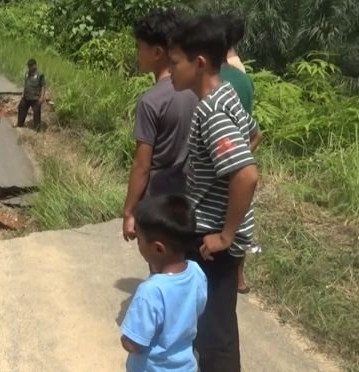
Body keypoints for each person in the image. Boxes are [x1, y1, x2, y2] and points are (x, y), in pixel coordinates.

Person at [167, 15, 260, 372]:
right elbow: (254, 135)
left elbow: (246, 174)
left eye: (175, 63)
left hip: (213, 241)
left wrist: (225, 234)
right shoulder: (228, 94)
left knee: (214, 334)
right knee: (212, 325)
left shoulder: (212, 111)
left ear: (199, 62)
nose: (171, 71)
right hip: (212, 229)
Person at [122, 9, 198, 274]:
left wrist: (129, 212)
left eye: (139, 47)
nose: (136, 53)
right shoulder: (196, 91)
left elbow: (142, 166)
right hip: (191, 202)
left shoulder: (151, 101)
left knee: (162, 272)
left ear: (157, 53)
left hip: (160, 205)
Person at [120, 194, 208, 372]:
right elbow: (199, 308)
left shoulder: (150, 291)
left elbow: (134, 343)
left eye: (140, 239)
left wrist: (125, 339)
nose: (138, 244)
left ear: (158, 248)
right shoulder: (196, 272)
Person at [217, 13, 264, 295]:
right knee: (241, 213)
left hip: (220, 154)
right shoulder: (243, 78)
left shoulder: (216, 76)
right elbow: (251, 128)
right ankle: (240, 276)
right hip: (240, 152)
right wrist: (244, 153)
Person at [15, 58, 46, 131]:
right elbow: (25, 84)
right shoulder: (27, 73)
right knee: (21, 107)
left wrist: (42, 97)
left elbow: (43, 86)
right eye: (28, 66)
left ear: (35, 65)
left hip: (35, 98)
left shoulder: (40, 75)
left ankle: (37, 129)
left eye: (30, 66)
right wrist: (23, 94)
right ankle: (20, 124)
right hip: (26, 97)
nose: (29, 67)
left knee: (36, 113)